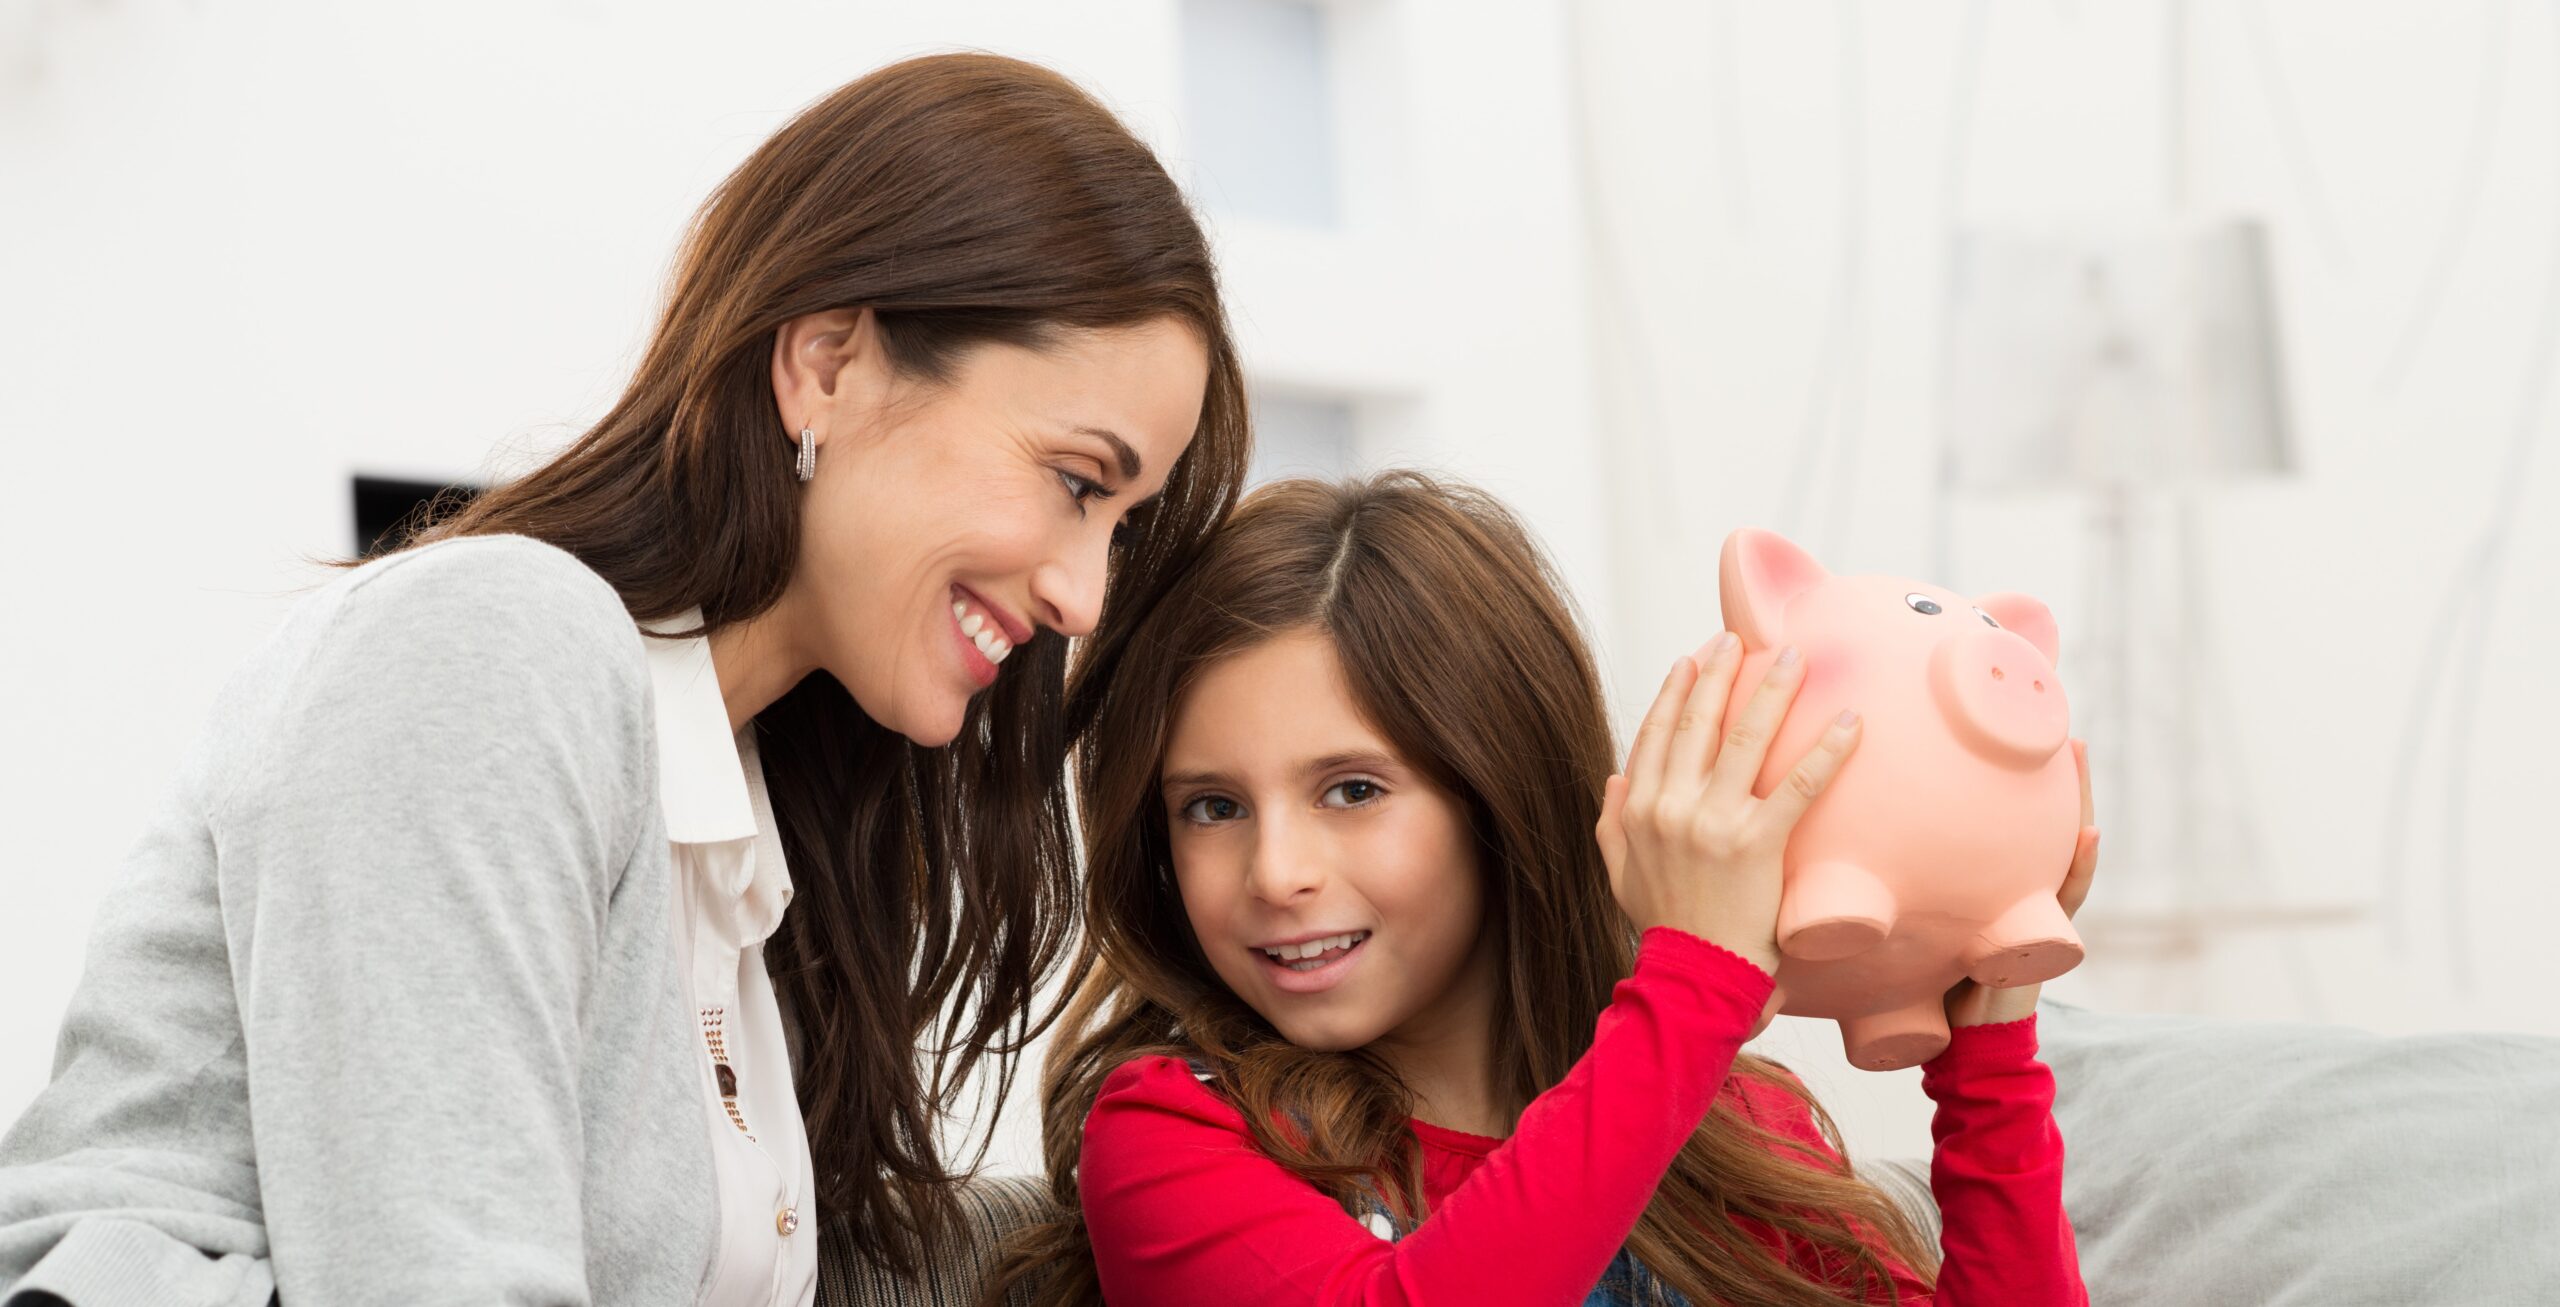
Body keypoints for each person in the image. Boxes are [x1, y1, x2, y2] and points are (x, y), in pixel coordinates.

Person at [0, 53, 1248, 1307]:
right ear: (825, 364)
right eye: (1079, 481)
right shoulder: (492, 645)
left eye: (1122, 526)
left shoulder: (750, 833)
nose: (1084, 595)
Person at [999, 472, 2092, 1306]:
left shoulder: (1723, 1125)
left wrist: (1987, 1048)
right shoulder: (1170, 1134)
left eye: (1350, 788)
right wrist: (1695, 985)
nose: (1276, 872)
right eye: (1212, 806)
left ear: (1499, 794)